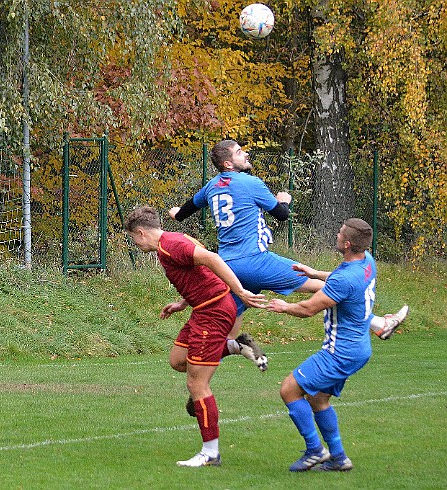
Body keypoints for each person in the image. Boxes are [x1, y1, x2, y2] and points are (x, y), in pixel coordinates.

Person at [169, 139, 408, 370]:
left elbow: (184, 212)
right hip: (255, 261)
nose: (246, 154)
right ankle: (380, 324)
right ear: (228, 164)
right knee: (326, 287)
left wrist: (176, 212)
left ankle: (201, 367)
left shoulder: (211, 186)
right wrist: (284, 201)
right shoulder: (250, 183)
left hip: (228, 267)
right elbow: (281, 215)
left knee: (228, 332)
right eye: (240, 152)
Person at [124, 206, 267, 467]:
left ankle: (210, 452)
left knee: (197, 385)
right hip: (203, 308)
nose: (135, 244)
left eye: (133, 238)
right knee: (178, 360)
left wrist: (241, 292)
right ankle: (237, 346)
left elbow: (212, 259)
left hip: (213, 311)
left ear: (141, 233)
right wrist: (183, 302)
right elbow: (201, 274)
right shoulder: (172, 242)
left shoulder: (172, 246)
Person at [265, 218, 384, 472]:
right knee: (318, 400)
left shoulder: (345, 280)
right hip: (358, 348)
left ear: (348, 243)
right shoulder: (366, 263)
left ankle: (314, 451)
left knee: (289, 390)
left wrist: (284, 307)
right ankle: (339, 458)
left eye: (340, 233)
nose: (337, 235)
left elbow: (309, 308)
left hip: (339, 352)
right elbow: (340, 278)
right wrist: (314, 273)